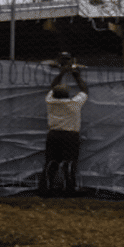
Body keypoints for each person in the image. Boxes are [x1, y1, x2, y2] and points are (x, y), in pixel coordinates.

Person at [39, 65, 88, 197]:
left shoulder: (50, 101)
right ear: (67, 94)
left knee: (50, 162)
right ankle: (69, 189)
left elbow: (53, 86)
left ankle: (45, 189)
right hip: (70, 136)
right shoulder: (73, 104)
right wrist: (76, 75)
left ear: (54, 95)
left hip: (53, 135)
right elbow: (84, 90)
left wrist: (62, 73)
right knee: (69, 163)